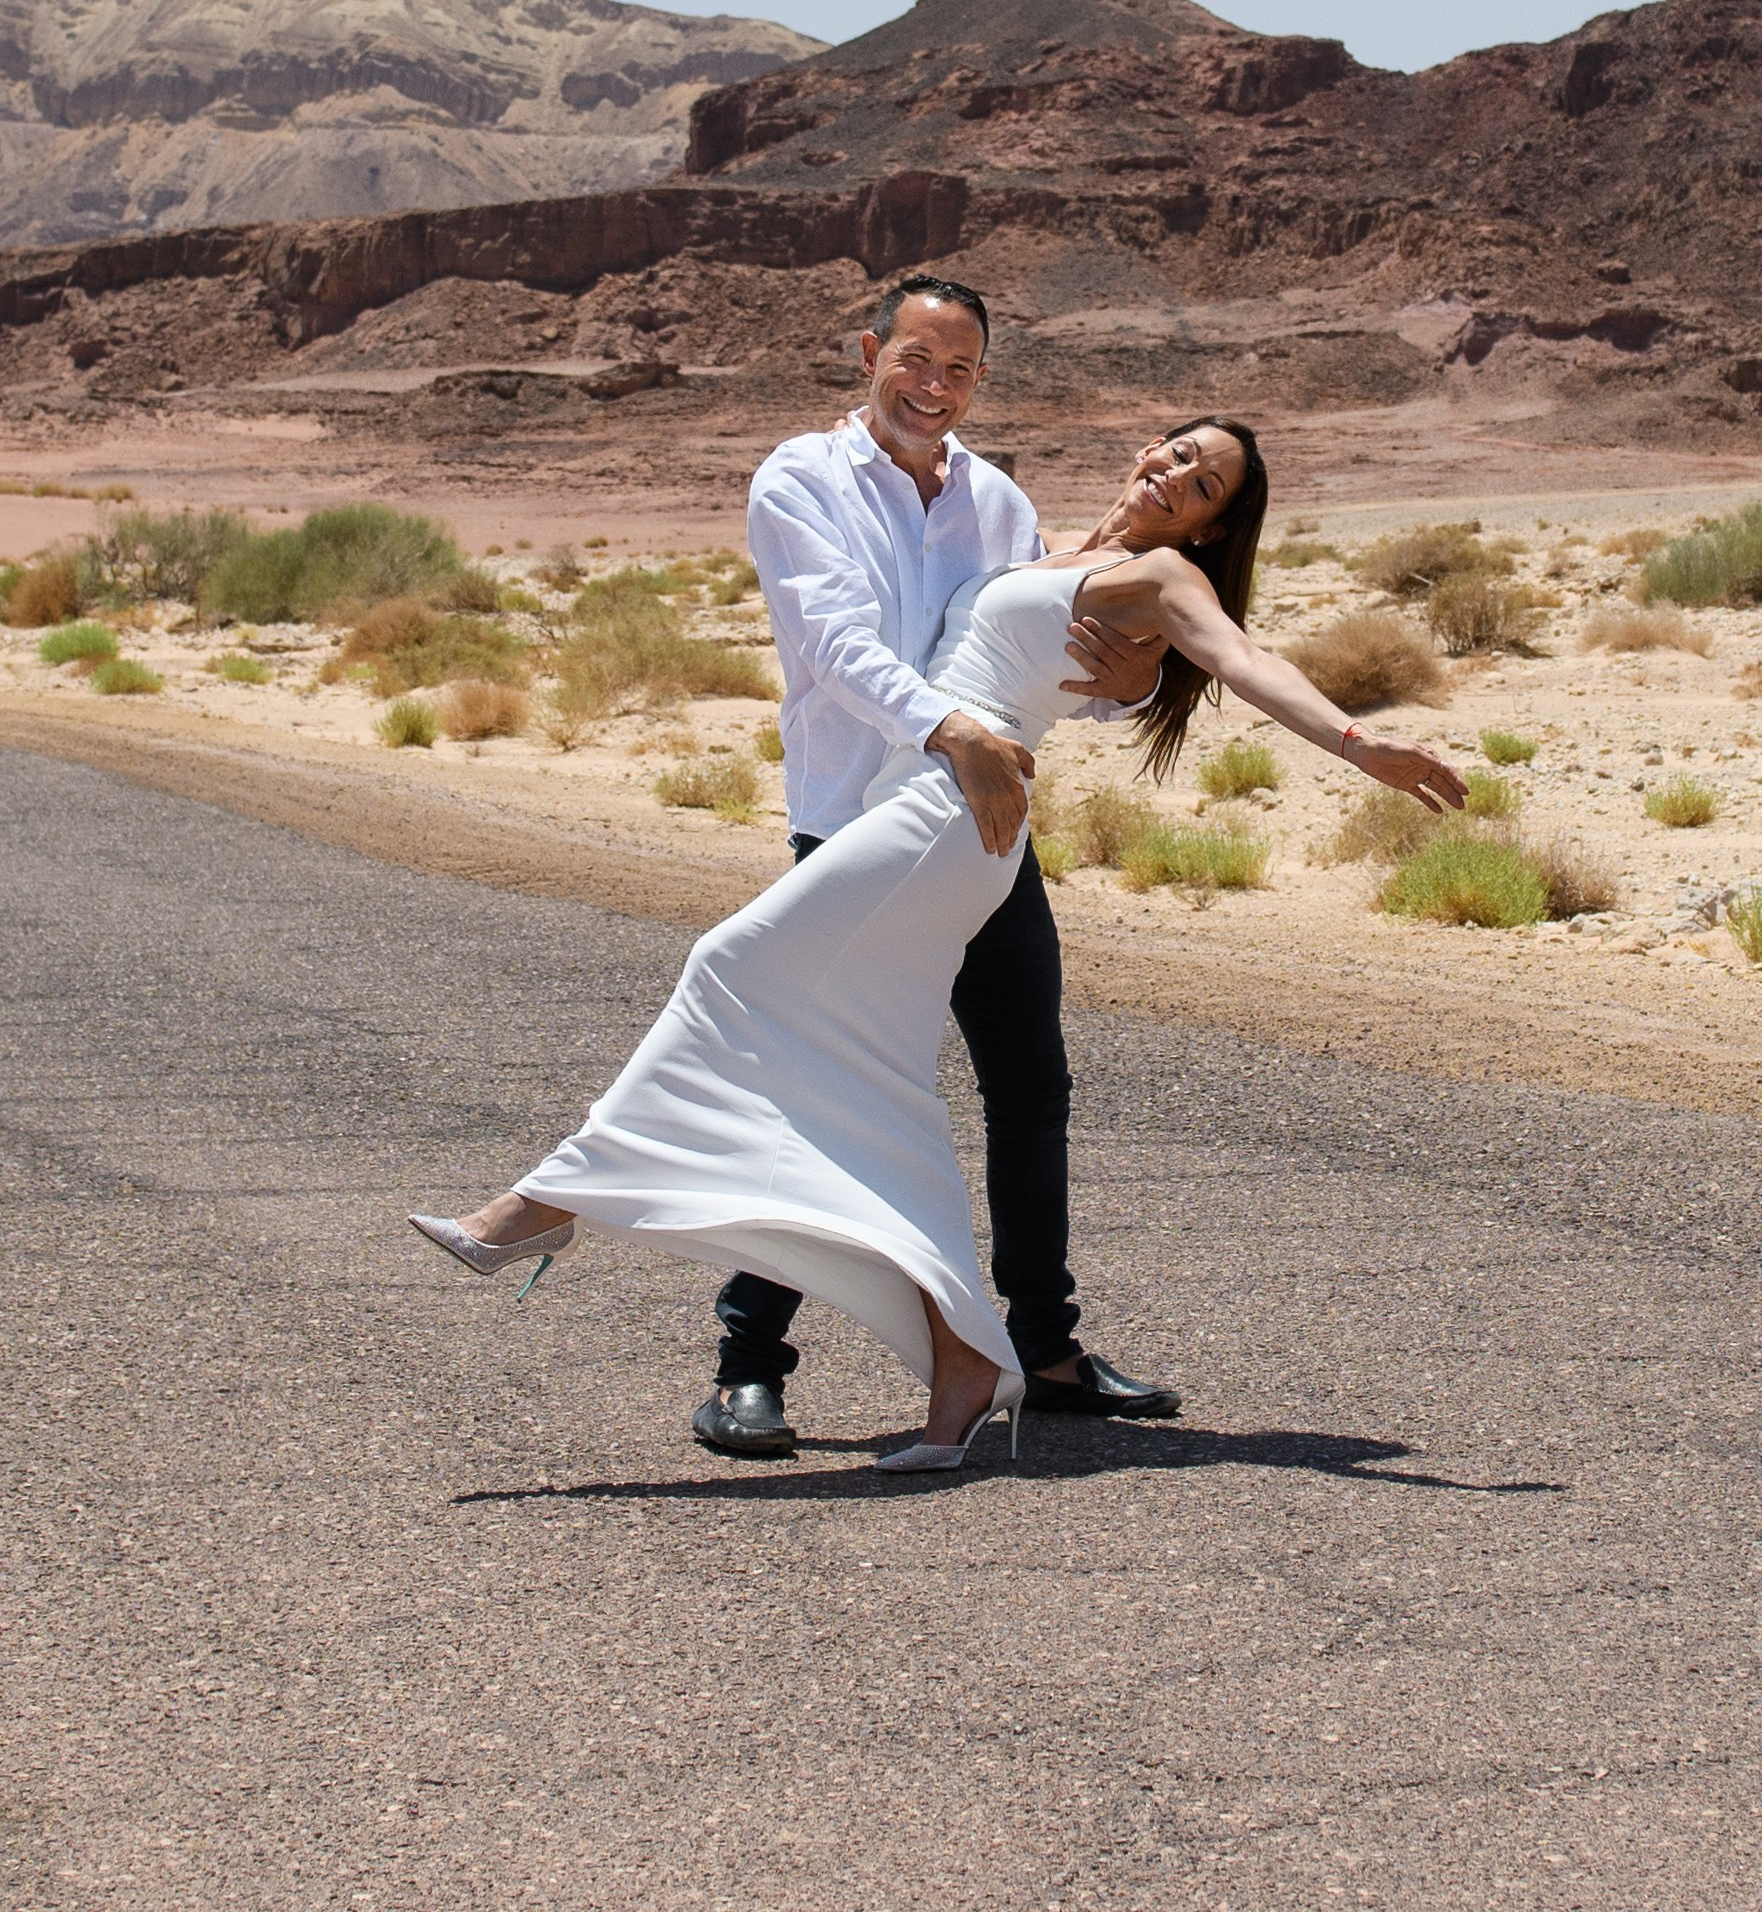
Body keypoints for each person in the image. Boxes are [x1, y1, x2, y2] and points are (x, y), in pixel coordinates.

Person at [411, 413, 1467, 1473]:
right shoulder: (1036, 542)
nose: (1177, 475)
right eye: (1178, 451)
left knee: (734, 970)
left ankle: (542, 1205)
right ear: (1145, 443)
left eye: (1205, 484)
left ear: (1209, 527)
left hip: (951, 822)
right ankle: (958, 1361)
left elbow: (1236, 655)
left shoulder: (1158, 578)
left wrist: (1357, 740)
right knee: (864, 1069)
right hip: (894, 802)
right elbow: (964, 646)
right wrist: (1125, 681)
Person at [708, 273, 1174, 1456]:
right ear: (870, 351)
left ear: (981, 379)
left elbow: (1036, 653)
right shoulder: (800, 479)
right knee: (828, 1098)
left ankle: (1047, 1350)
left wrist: (1129, 687)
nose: (933, 386)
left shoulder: (997, 502)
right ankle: (747, 1366)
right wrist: (949, 729)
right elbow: (836, 643)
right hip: (854, 829)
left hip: (981, 836)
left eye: (958, 369)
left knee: (1029, 1087)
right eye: (914, 358)